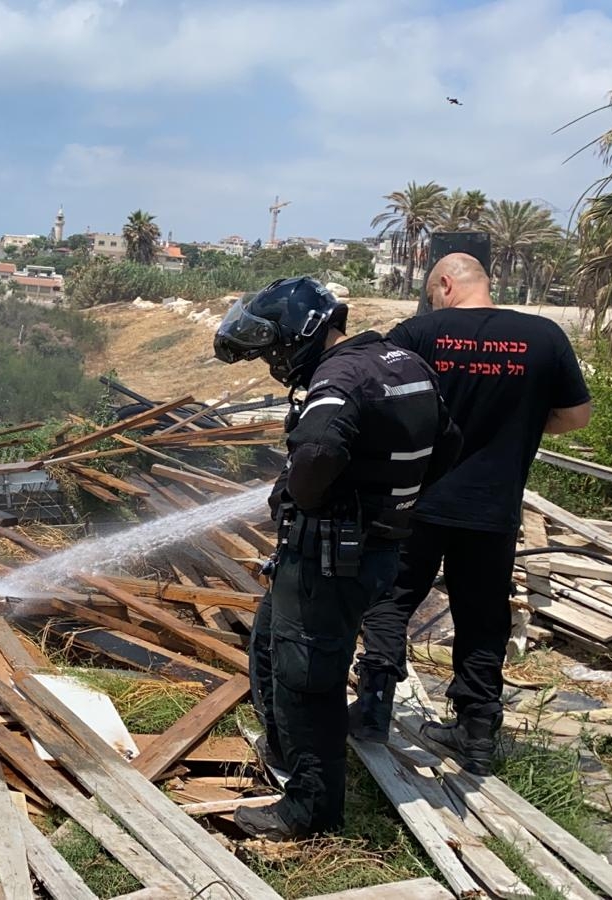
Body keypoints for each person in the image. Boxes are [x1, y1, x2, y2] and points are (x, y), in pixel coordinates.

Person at [213, 277, 461, 839]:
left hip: (327, 559)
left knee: (306, 681)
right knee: (272, 647)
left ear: (300, 334)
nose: (272, 361)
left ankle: (310, 811)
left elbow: (320, 451)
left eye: (272, 348)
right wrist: (393, 500)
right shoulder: (401, 362)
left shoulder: (336, 382)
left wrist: (309, 497)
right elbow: (449, 443)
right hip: (376, 550)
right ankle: (284, 752)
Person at [351, 253, 590, 773]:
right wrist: (522, 425)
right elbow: (576, 415)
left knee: (390, 602)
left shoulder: (417, 333)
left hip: (417, 501)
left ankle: (371, 711)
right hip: (493, 506)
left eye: (433, 290)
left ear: (444, 283)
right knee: (483, 620)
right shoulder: (543, 336)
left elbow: (375, 401)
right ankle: (477, 734)